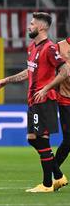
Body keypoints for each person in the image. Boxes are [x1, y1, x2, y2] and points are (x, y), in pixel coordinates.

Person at [0, 12, 68, 192]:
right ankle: (58, 176)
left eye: (32, 24)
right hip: (33, 101)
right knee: (33, 139)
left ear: (41, 27)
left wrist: (46, 88)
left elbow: (65, 71)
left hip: (44, 100)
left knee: (40, 139)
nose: (29, 26)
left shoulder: (50, 48)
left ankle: (48, 184)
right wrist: (6, 80)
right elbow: (29, 72)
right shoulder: (33, 48)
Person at [34, 37, 70, 174]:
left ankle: (54, 172)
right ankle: (55, 171)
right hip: (65, 99)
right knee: (68, 141)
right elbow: (49, 69)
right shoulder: (59, 47)